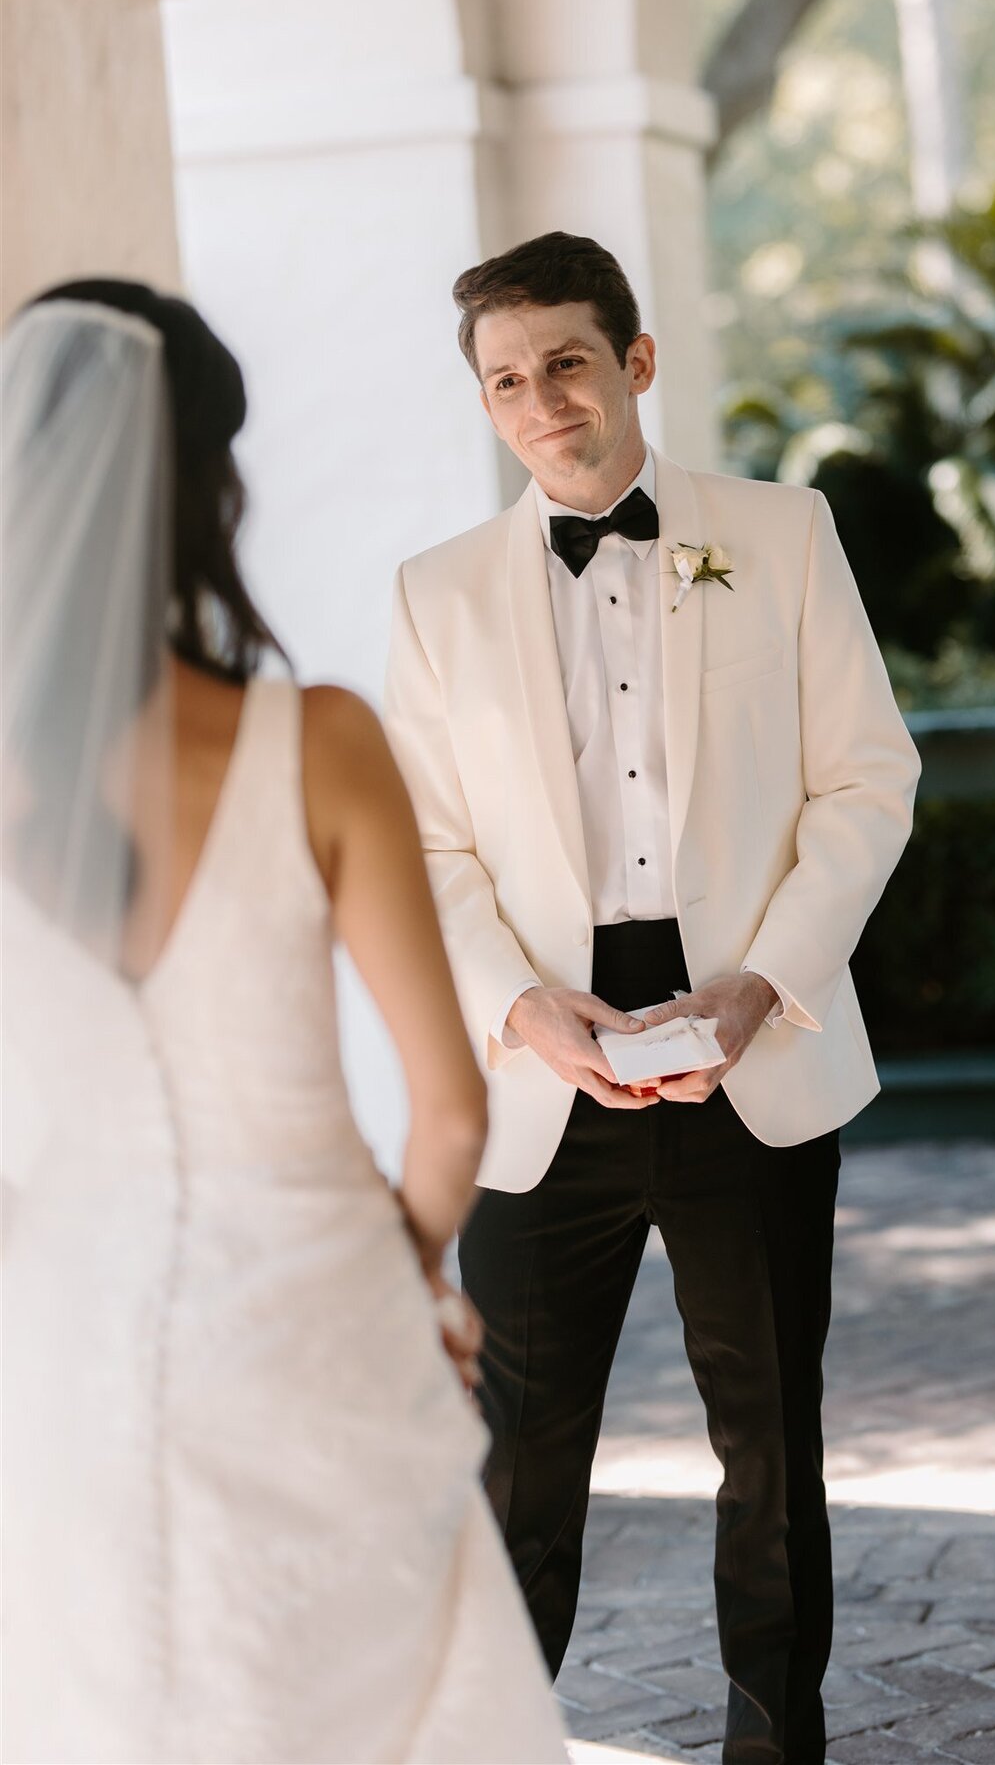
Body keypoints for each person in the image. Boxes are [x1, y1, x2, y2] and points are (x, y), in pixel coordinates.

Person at [0, 281, 566, 1765]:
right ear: (213, 482)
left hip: (56, 1342)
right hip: (318, 1320)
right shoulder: (316, 742)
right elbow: (451, 1116)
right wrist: (405, 1279)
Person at [383, 232, 922, 1764]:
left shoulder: (786, 533)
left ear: (637, 360)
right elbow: (424, 848)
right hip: (547, 1073)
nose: (541, 400)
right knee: (514, 1464)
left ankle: (776, 1740)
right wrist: (522, 1010)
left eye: (565, 361)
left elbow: (869, 782)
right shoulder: (434, 596)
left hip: (753, 1045)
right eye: (505, 380)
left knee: (768, 1449)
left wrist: (766, 984)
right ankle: (486, 1739)